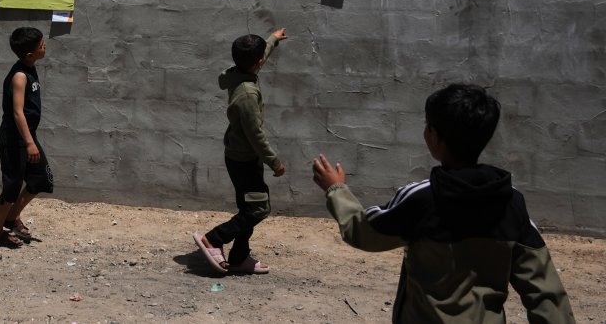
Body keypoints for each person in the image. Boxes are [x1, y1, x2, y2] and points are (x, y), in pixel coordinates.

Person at [311, 84, 575, 323]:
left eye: (428, 126)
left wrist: (336, 189)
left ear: (435, 138)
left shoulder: (424, 198)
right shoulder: (510, 201)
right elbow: (545, 292)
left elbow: (363, 232)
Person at [193, 28, 289, 275]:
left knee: (249, 209)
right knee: (258, 209)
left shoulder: (237, 73)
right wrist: (274, 162)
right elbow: (255, 134)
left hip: (241, 156)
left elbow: (259, 55)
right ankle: (214, 238)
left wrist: (272, 40)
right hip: (245, 159)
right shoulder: (246, 94)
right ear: (257, 63)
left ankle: (239, 257)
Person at [0, 27, 54, 248]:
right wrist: (29, 142)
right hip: (14, 140)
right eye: (41, 45)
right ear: (29, 55)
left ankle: (11, 217)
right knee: (12, 185)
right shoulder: (20, 76)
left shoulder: (30, 68)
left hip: (27, 136)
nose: (45, 46)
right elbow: (17, 112)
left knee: (40, 178)